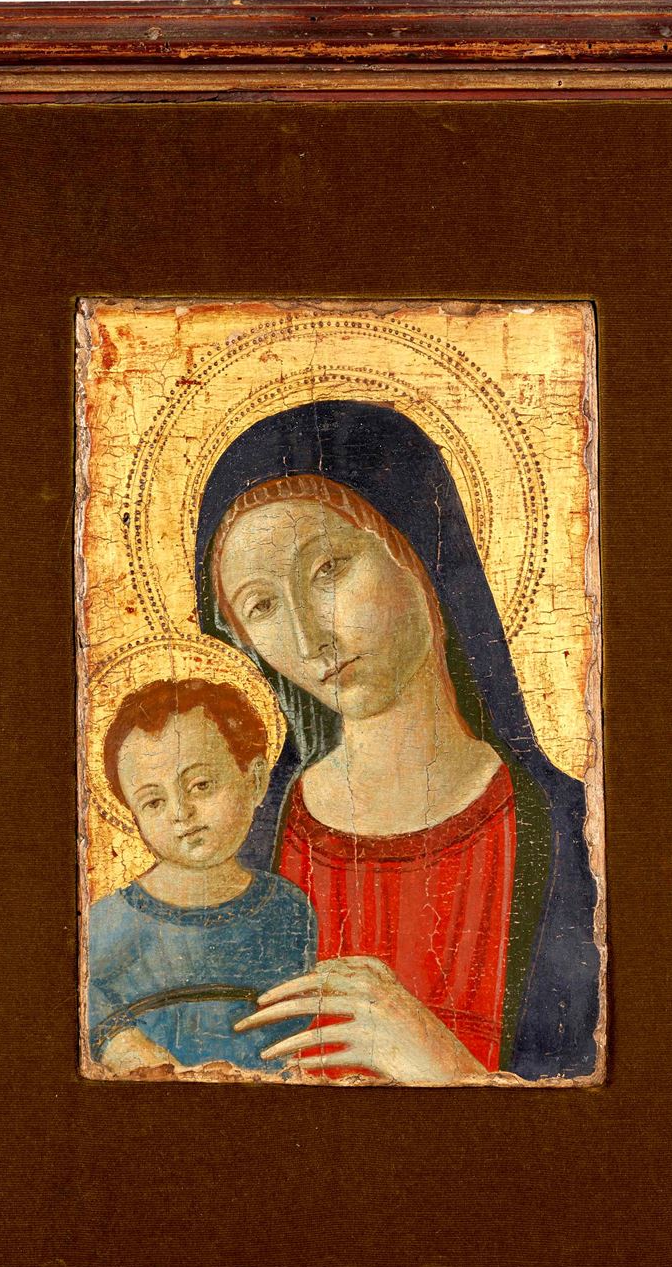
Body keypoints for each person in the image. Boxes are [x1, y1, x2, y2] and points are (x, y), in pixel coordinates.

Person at [192, 401, 601, 1084]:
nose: (309, 637)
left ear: (419, 550)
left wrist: (446, 1069)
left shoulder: (575, 839)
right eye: (261, 606)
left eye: (328, 569)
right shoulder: (246, 852)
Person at [87, 678, 316, 1074]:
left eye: (200, 785)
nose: (181, 813)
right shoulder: (106, 924)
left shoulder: (289, 909)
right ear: (135, 818)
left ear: (255, 780)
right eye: (154, 801)